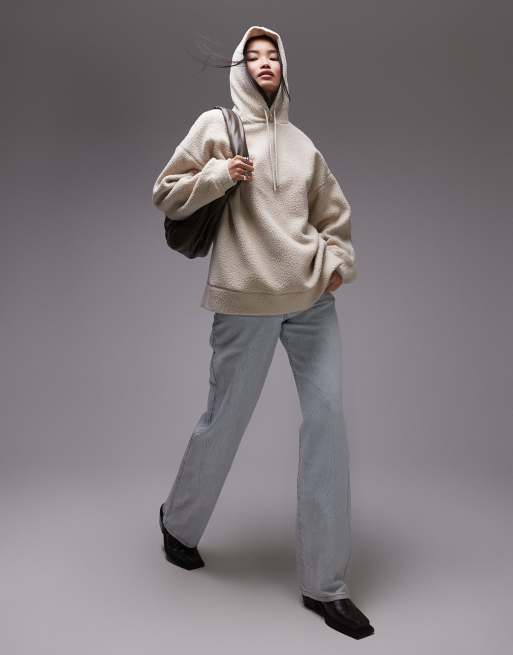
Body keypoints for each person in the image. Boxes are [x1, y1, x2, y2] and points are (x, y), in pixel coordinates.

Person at [152, 25, 374, 640]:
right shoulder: (216, 125)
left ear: (284, 67)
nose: (264, 63)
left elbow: (334, 214)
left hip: (310, 301)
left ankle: (326, 586)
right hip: (245, 297)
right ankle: (178, 524)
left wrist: (335, 264)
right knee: (225, 419)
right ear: (239, 69)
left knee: (327, 422)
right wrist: (220, 175)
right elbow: (166, 194)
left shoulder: (303, 145)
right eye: (253, 56)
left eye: (272, 55)